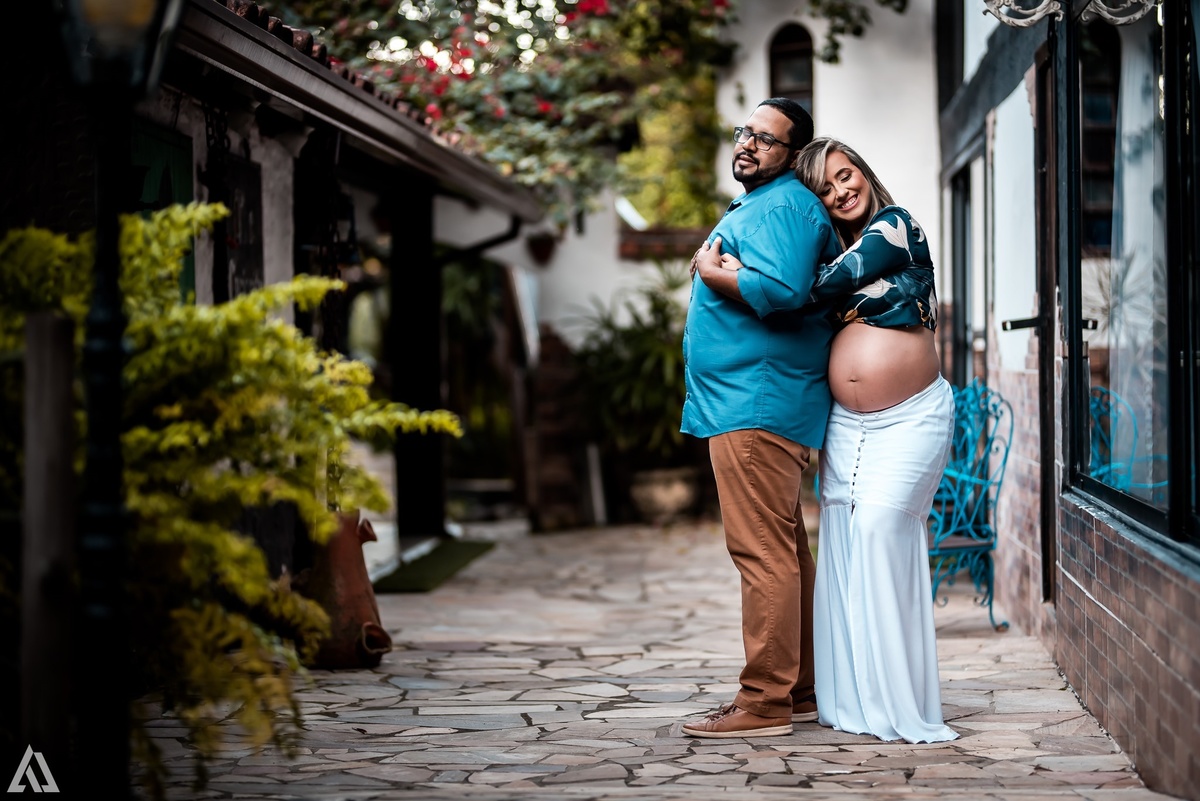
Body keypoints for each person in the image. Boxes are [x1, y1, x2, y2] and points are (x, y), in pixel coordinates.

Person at [698, 136, 958, 743]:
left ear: (864, 172)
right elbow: (794, 300)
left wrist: (730, 274)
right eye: (825, 188)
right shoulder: (829, 247)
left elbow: (811, 288)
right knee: (842, 551)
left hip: (909, 418)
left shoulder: (894, 227)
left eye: (847, 175)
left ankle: (901, 698)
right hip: (847, 426)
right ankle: (850, 696)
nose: (841, 191)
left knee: (881, 532)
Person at [679, 98, 841, 739]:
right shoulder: (766, 205)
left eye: (766, 139)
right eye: (745, 131)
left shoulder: (784, 206)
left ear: (793, 155)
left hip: (756, 405)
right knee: (784, 550)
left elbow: (782, 291)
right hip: (750, 402)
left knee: (762, 553)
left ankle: (764, 702)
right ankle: (796, 691)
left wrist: (712, 273)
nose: (748, 143)